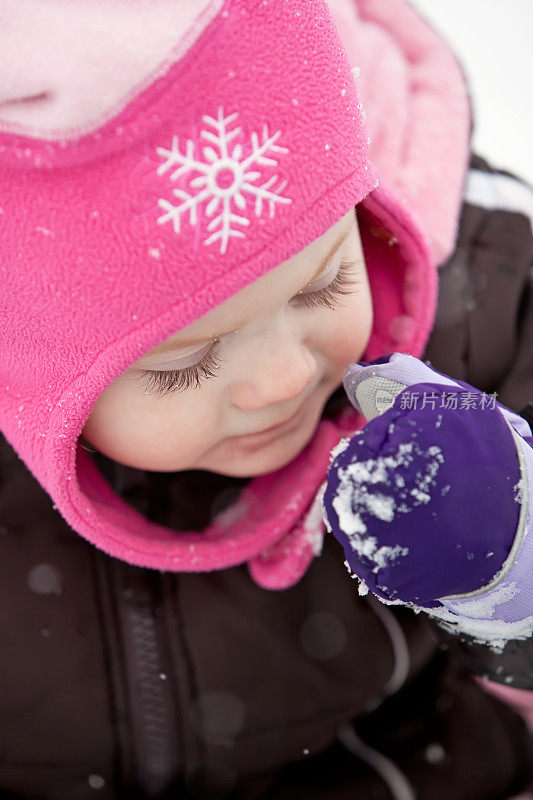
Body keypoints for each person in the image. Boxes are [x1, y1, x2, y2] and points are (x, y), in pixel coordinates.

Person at [0, 1, 532, 798]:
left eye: (324, 282)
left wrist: (511, 564)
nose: (284, 378)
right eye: (185, 363)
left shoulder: (485, 300)